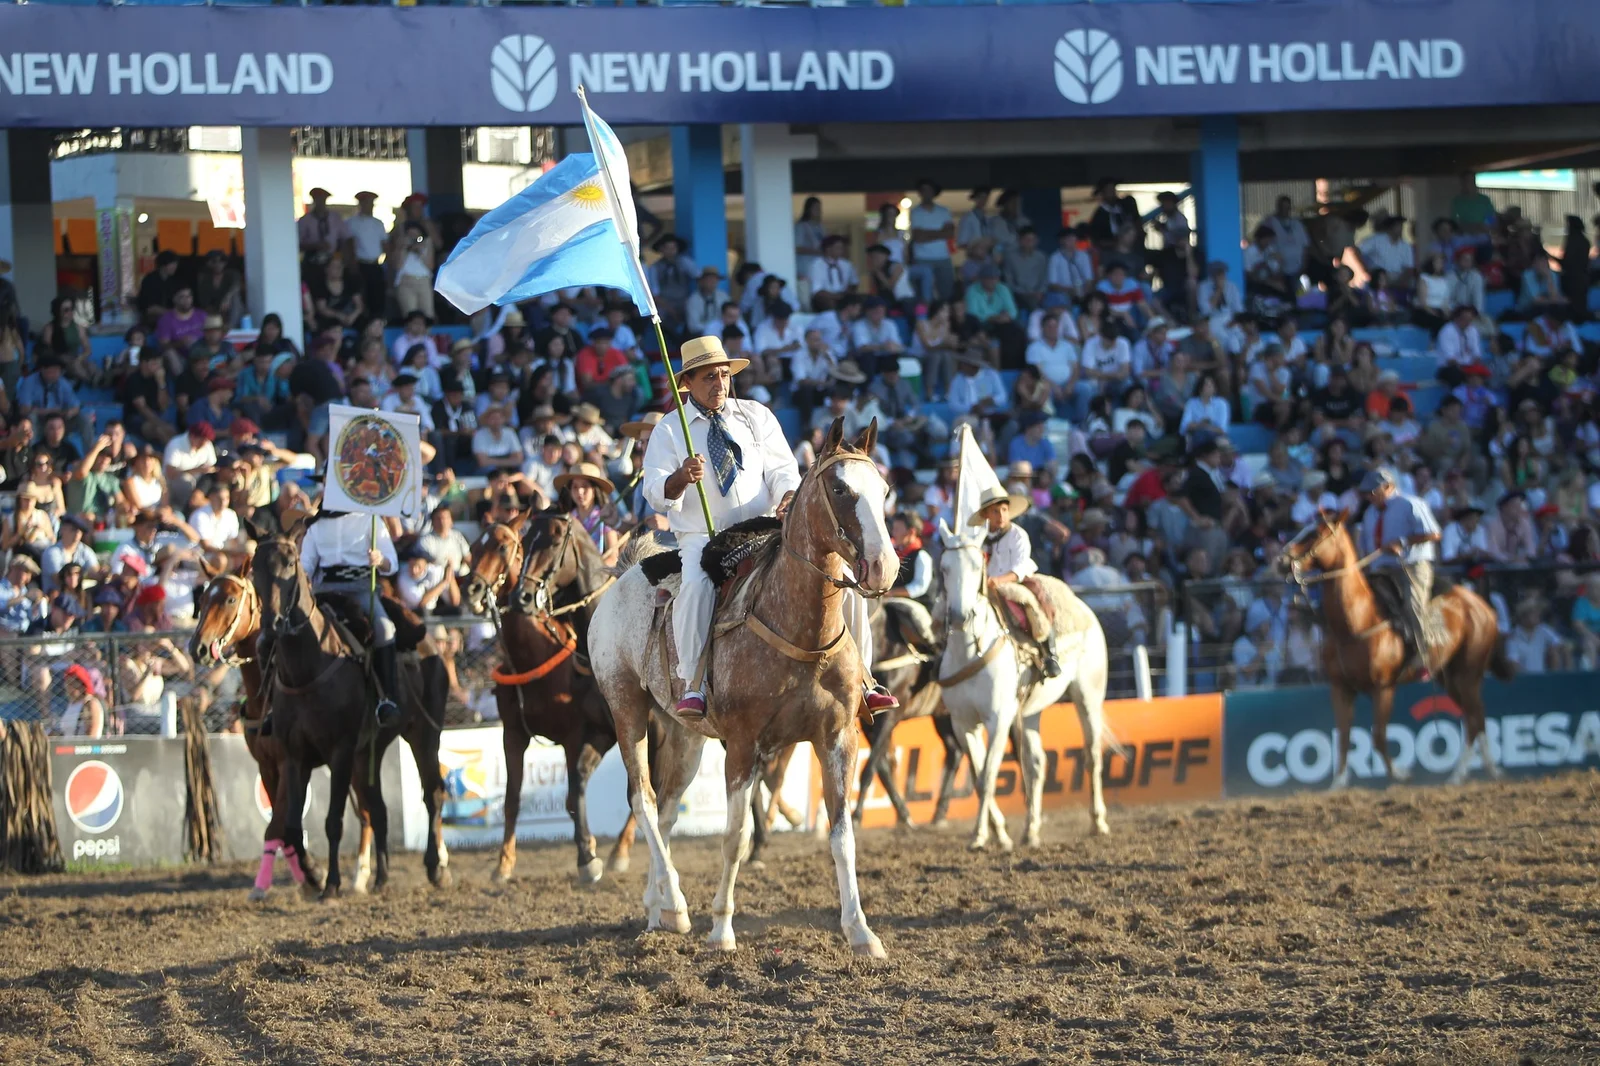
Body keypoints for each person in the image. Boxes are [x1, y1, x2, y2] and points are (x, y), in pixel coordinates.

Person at [641, 336, 896, 718]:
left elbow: (781, 469)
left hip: (762, 529)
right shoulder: (669, 430)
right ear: (688, 383)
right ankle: (694, 683)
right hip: (703, 536)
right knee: (695, 586)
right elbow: (655, 493)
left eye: (725, 375)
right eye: (709, 376)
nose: (720, 384)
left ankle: (864, 678)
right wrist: (679, 478)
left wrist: (787, 496)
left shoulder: (755, 415)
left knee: (843, 577)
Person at [299, 508, 402, 727]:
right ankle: (274, 705)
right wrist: (301, 575)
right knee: (291, 629)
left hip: (361, 590)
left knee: (384, 629)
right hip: (324, 592)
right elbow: (306, 565)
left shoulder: (370, 520)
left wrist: (380, 559)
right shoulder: (315, 526)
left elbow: (392, 563)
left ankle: (387, 699)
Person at [1357, 466, 1443, 679]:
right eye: (1366, 493)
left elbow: (1434, 533)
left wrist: (1403, 542)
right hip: (1381, 569)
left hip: (1411, 566)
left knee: (1413, 605)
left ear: (1388, 486)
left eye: (1372, 491)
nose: (1369, 496)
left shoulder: (1411, 503)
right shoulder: (1369, 514)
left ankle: (1426, 659)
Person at [970, 484, 1060, 677]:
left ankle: (1049, 652)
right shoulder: (980, 539)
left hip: (1018, 582)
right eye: (995, 511)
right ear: (986, 514)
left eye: (1004, 510)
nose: (1001, 515)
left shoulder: (1018, 534)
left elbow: (1019, 567)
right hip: (988, 585)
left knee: (1037, 602)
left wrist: (999, 580)